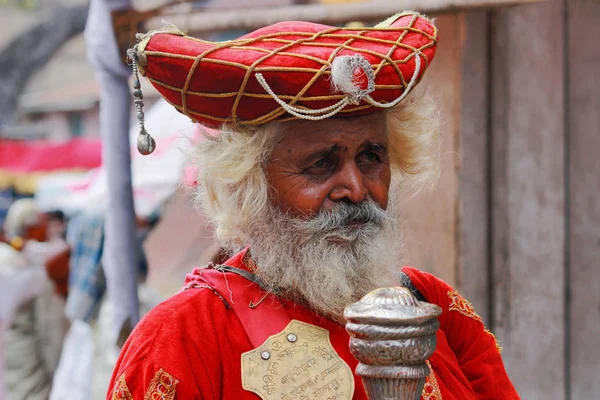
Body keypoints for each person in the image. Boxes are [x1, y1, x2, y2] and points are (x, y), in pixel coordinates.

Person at [107, 11, 519, 399]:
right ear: (250, 183)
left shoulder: (433, 303)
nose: (356, 188)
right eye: (321, 164)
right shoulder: (182, 336)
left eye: (371, 156)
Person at [2, 199, 69, 400]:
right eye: (41, 224)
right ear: (30, 228)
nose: (46, 229)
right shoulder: (15, 262)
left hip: (17, 353)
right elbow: (48, 328)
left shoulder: (22, 256)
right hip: (28, 354)